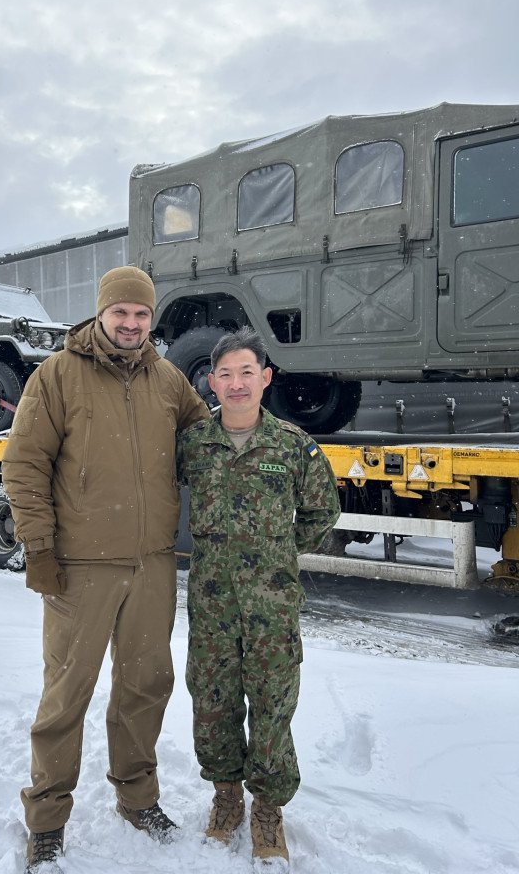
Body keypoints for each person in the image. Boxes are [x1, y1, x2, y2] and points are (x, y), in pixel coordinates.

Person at [2, 266, 209, 873]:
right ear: (101, 314)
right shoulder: (57, 375)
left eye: (141, 315)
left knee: (146, 687)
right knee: (66, 694)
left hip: (152, 563)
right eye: (120, 312)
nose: (131, 323)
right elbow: (24, 466)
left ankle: (137, 798)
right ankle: (46, 818)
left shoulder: (169, 379)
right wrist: (38, 549)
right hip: (79, 567)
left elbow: (207, 441)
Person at [177, 327, 340, 868]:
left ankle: (268, 809)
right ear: (211, 381)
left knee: (272, 706)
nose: (236, 383)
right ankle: (226, 799)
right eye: (225, 373)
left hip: (271, 607)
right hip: (211, 604)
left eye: (247, 372)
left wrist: (278, 554)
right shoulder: (194, 444)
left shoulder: (293, 446)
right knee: (213, 702)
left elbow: (322, 511)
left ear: (266, 379)